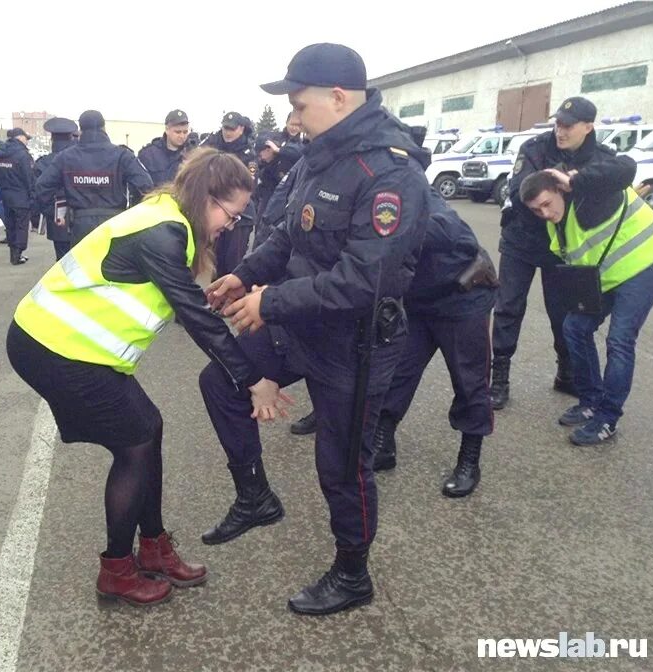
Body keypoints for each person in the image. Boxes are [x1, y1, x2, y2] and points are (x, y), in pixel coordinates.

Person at [198, 43, 431, 616]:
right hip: (301, 321)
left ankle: (353, 574)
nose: (293, 121)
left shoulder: (390, 174)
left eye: (299, 107)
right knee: (221, 380)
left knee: (341, 465)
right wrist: (243, 276)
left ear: (338, 97)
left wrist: (270, 301)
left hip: (353, 342)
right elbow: (287, 236)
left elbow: (363, 279)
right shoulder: (316, 157)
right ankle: (255, 497)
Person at [8, 148, 289, 606]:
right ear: (206, 197)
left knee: (147, 429)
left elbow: (187, 304)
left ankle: (154, 547)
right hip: (52, 348)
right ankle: (117, 570)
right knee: (135, 442)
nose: (230, 225)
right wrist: (253, 378)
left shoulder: (170, 215)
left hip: (73, 348)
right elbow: (196, 321)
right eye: (230, 214)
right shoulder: (162, 233)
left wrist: (204, 301)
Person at [490, 96, 633, 410]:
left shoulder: (599, 156)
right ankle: (499, 376)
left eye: (568, 126)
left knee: (563, 313)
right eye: (558, 124)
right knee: (508, 308)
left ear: (588, 126)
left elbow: (624, 173)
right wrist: (557, 182)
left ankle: (565, 372)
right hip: (522, 240)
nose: (560, 131)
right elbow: (519, 190)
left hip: (564, 249)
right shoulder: (535, 148)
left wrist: (575, 182)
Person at [519, 167, 653, 445]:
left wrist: (576, 181)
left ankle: (607, 419)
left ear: (561, 190)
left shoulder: (590, 196)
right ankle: (590, 401)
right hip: (608, 275)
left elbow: (624, 168)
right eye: (537, 210)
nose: (544, 213)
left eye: (547, 204)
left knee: (619, 339)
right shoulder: (555, 224)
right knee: (574, 327)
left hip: (646, 263)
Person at [372, 189, 497, 497]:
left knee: (470, 382)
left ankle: (470, 458)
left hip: (462, 299)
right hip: (419, 302)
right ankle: (383, 444)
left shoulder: (415, 198)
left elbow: (458, 235)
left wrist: (400, 232)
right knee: (397, 372)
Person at [35, 110, 153, 246]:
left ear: (80, 131)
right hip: (115, 224)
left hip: (80, 226)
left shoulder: (65, 157)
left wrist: (54, 213)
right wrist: (133, 215)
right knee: (112, 266)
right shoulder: (122, 155)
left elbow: (42, 186)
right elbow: (146, 185)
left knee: (80, 266)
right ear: (104, 128)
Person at [202, 112, 258, 275]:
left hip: (240, 217)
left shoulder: (249, 154)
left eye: (232, 129)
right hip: (216, 213)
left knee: (232, 265)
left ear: (241, 129)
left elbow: (248, 186)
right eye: (225, 128)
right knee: (214, 264)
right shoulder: (212, 145)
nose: (227, 132)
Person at [34, 117, 79, 260]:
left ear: (52, 139)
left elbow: (38, 192)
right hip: (81, 215)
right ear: (71, 137)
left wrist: (50, 212)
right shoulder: (80, 158)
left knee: (62, 259)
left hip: (57, 217)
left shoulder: (43, 162)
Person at [0, 127, 35, 265]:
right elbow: (29, 177)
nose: (27, 141)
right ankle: (18, 254)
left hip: (5, 194)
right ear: (20, 137)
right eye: (26, 139)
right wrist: (33, 194)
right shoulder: (23, 155)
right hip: (21, 195)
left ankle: (13, 253)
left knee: (10, 225)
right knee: (21, 225)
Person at [137, 109, 190, 186]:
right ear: (167, 130)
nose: (182, 136)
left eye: (185, 132)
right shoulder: (148, 155)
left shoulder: (192, 155)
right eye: (177, 132)